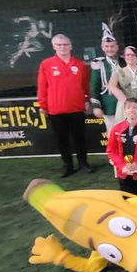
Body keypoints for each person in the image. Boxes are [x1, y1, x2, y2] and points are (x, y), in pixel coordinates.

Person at [37, 34, 94, 177]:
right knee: (62, 140)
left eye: (65, 44)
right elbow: (42, 86)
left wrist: (87, 101)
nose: (62, 47)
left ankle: (83, 163)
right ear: (54, 46)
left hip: (77, 108)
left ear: (70, 46)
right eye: (59, 45)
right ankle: (67, 165)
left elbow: (86, 86)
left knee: (80, 138)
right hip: (56, 110)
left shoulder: (80, 65)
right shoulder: (46, 64)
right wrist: (43, 105)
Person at [106, 98, 137, 196]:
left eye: (135, 107)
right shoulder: (116, 129)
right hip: (124, 173)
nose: (132, 110)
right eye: (128, 107)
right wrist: (122, 166)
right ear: (124, 111)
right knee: (127, 201)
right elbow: (111, 150)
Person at [90, 26, 122, 132]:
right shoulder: (99, 63)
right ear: (102, 47)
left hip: (126, 105)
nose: (110, 49)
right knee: (113, 133)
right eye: (106, 46)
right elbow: (94, 86)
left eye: (112, 46)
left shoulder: (125, 61)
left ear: (117, 47)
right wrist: (96, 106)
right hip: (109, 105)